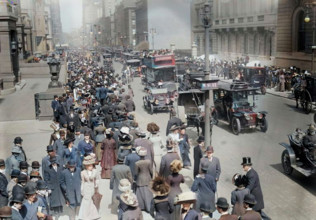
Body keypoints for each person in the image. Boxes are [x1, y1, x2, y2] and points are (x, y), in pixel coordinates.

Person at [78, 154, 100, 220]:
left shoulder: (95, 171)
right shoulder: (83, 172)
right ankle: (84, 216)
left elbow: (98, 179)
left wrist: (96, 185)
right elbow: (82, 182)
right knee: (86, 202)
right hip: (86, 188)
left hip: (92, 187)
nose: (91, 167)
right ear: (86, 166)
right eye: (89, 166)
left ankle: (93, 215)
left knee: (92, 201)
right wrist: (82, 190)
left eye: (92, 165)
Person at [134, 147, 153, 213]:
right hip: (148, 178)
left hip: (140, 179)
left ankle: (141, 207)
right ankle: (149, 207)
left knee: (140, 194)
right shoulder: (148, 162)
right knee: (148, 194)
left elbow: (136, 173)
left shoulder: (137, 163)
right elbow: (151, 171)